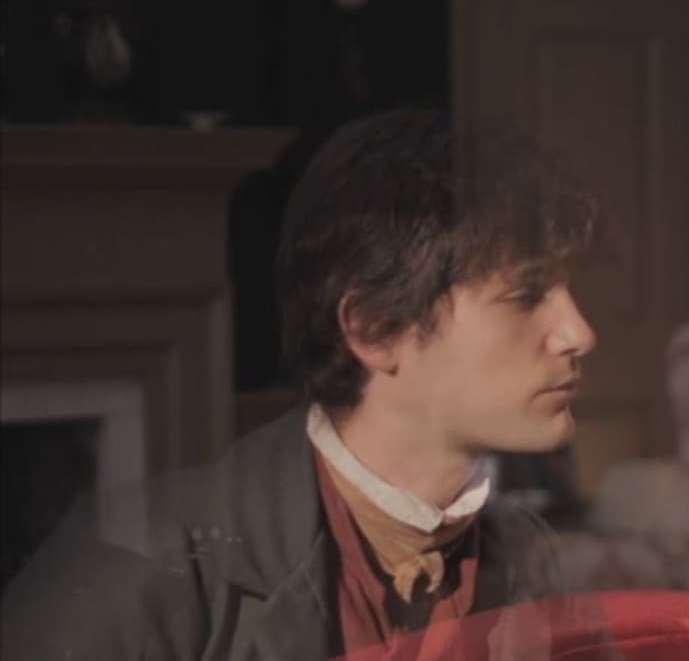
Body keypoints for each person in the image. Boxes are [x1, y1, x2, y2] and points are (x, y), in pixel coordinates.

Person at [0, 108, 608, 659]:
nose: (579, 332)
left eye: (570, 290)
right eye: (525, 296)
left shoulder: (530, 561)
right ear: (375, 328)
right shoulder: (137, 577)